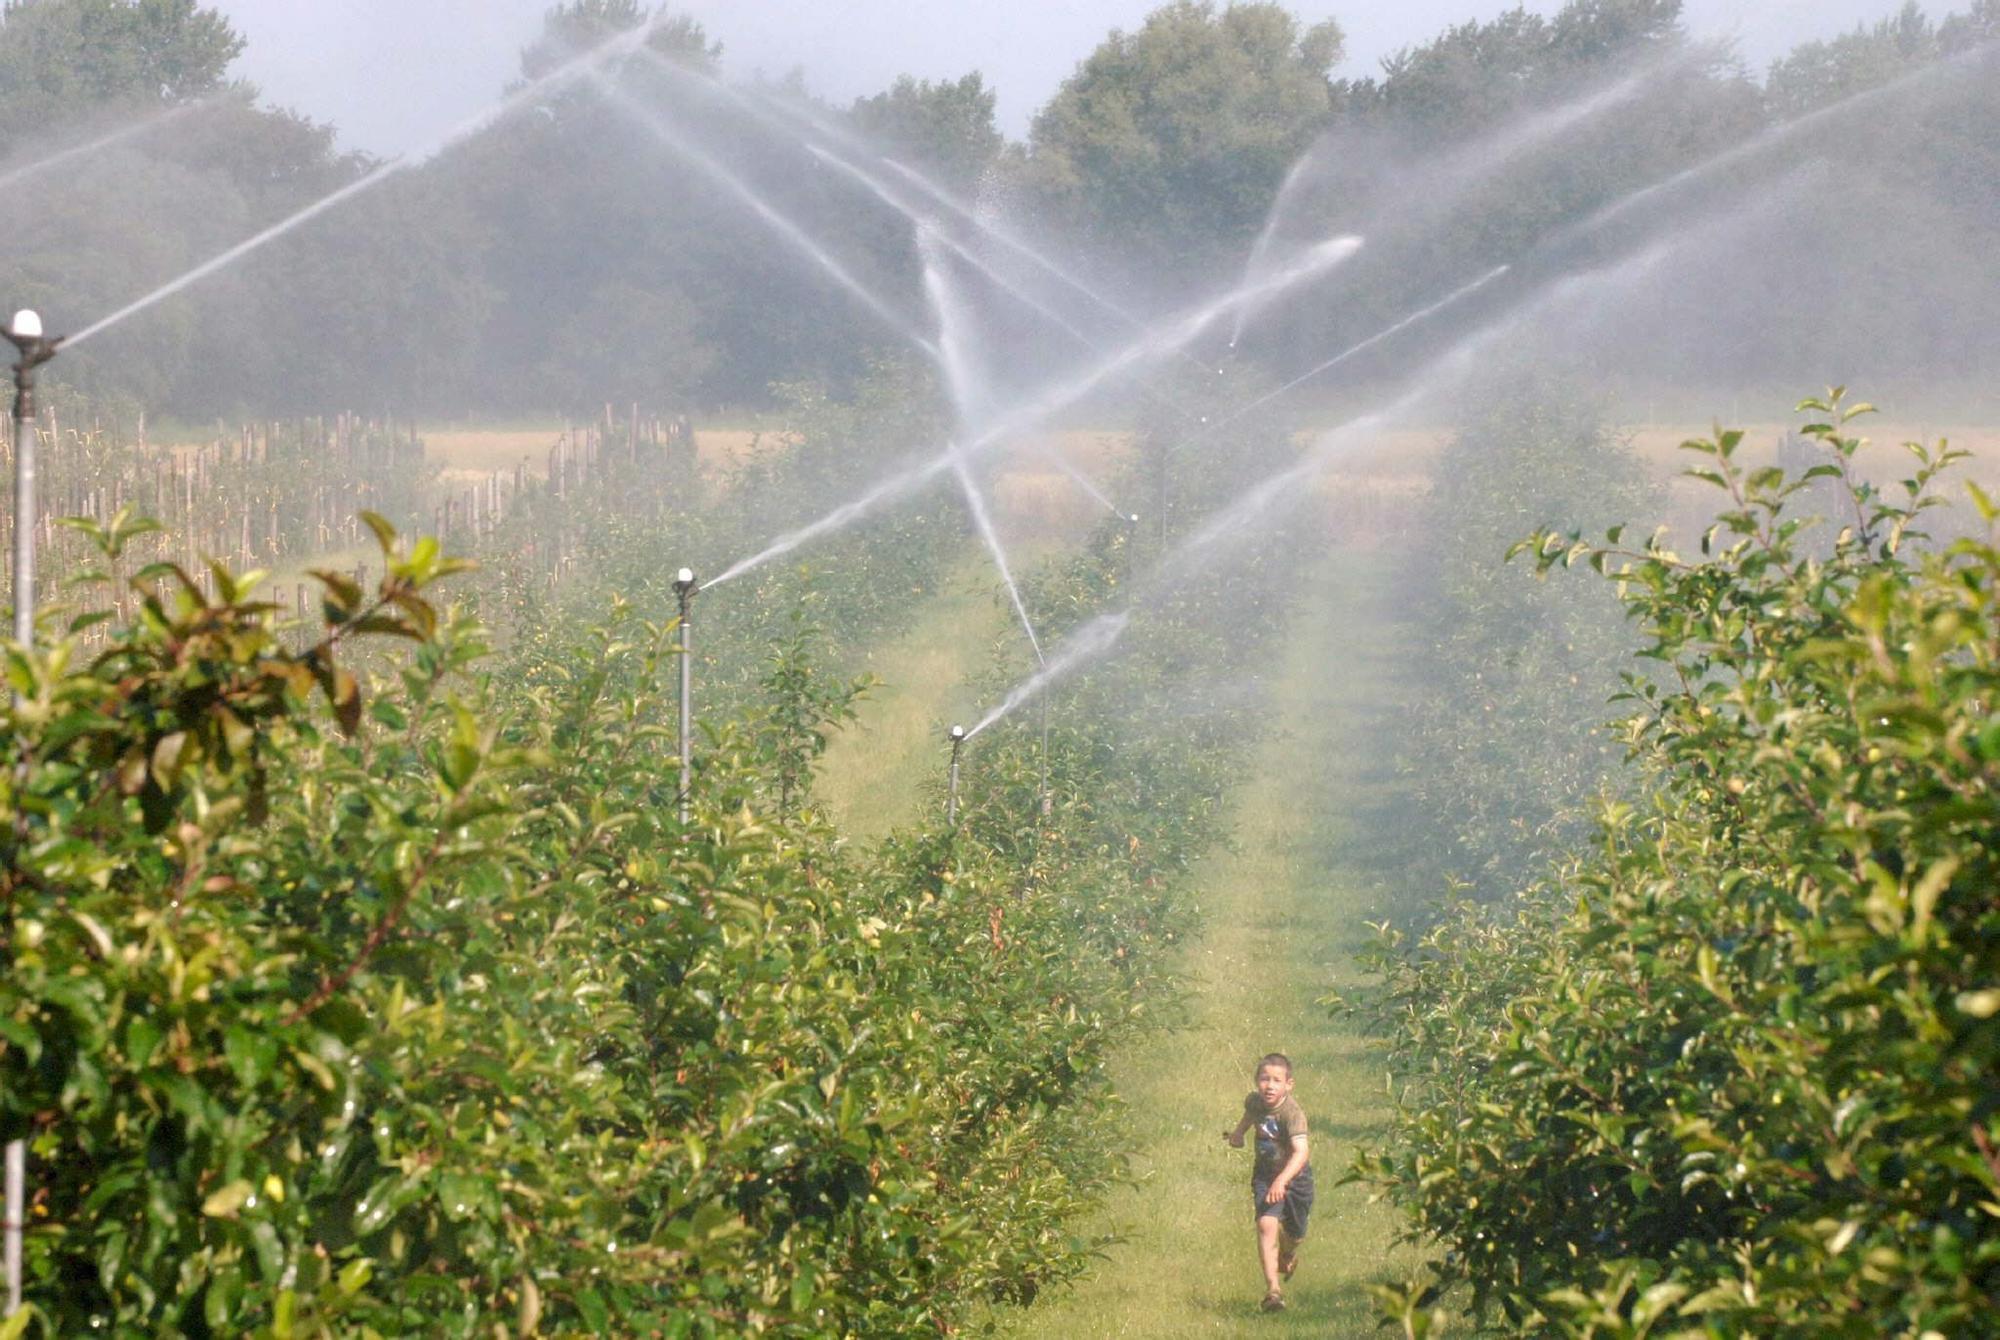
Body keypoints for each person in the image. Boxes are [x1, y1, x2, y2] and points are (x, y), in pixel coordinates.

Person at [1222, 1052, 1313, 1313]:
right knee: (1266, 1225)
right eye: (1264, 1079)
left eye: (1276, 1080)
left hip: (1297, 1180)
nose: (1269, 1086)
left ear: (1288, 1084)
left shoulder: (1292, 1114)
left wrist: (1282, 1181)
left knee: (1295, 1234)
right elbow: (1250, 1115)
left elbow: (1301, 1152)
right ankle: (1273, 1292)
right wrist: (1239, 1133)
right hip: (1264, 1176)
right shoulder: (1255, 1102)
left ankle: (1287, 1255)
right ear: (1256, 1081)